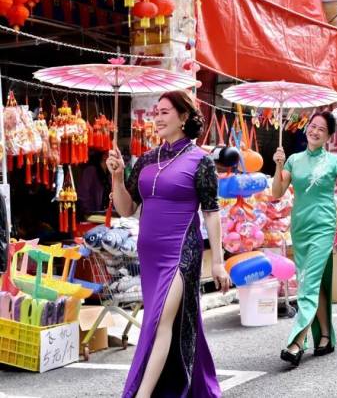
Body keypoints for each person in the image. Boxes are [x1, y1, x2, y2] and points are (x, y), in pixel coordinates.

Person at [107, 90, 230, 397]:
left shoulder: (201, 161)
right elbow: (126, 208)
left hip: (181, 251)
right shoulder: (147, 159)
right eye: (156, 112)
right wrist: (117, 178)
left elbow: (211, 213)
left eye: (164, 112)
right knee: (160, 319)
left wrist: (217, 262)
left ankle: (142, 394)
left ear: (183, 117)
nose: (157, 118)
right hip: (149, 254)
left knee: (160, 319)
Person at [272, 111, 337, 366]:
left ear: (328, 136)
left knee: (308, 286)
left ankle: (296, 342)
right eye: (312, 126)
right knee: (310, 282)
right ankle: (325, 335)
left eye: (321, 129)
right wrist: (279, 165)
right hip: (300, 228)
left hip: (323, 228)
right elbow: (277, 192)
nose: (315, 131)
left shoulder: (334, 161)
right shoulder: (293, 160)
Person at [77, 150, 111, 219]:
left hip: (105, 215)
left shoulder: (109, 174)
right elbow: (83, 195)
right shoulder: (90, 171)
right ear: (104, 156)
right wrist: (90, 213)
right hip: (92, 215)